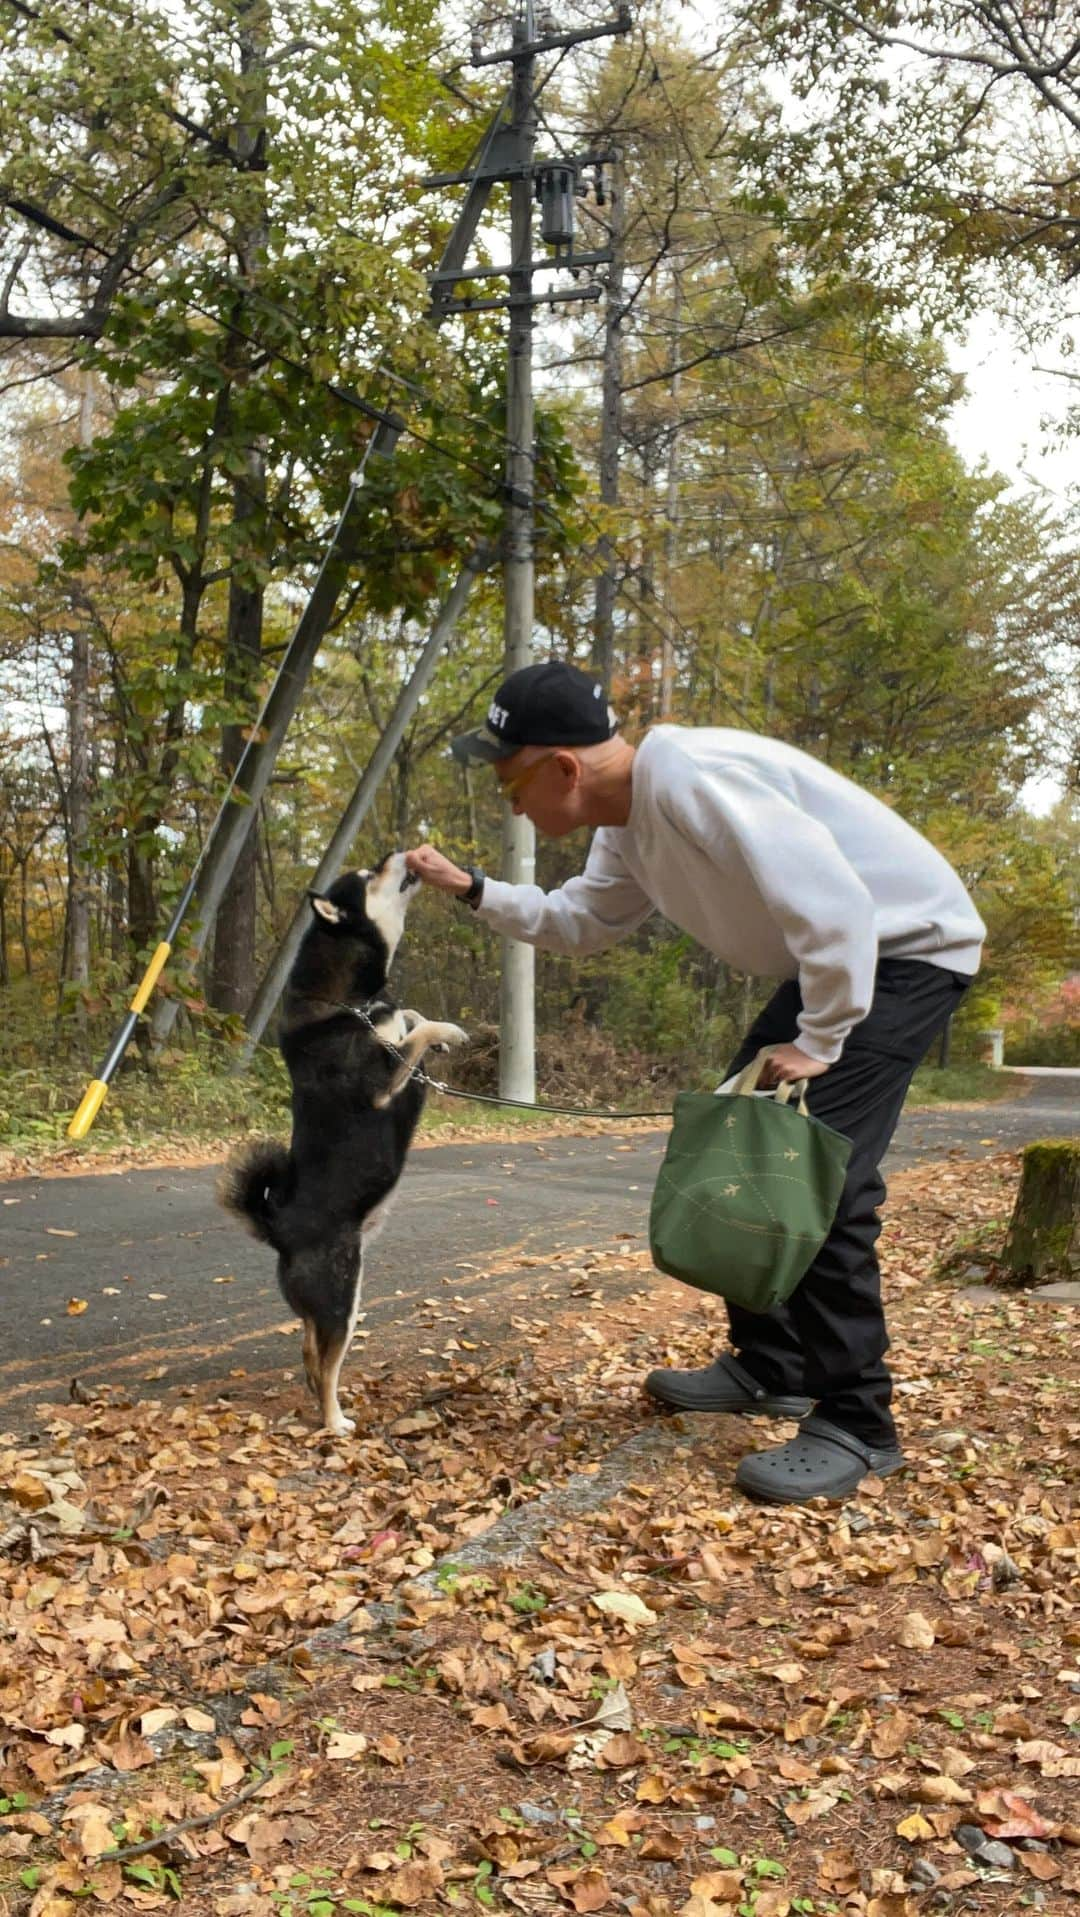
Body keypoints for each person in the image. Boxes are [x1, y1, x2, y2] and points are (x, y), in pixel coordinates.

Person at [405, 660, 984, 1504]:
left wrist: (821, 1039)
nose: (513, 804)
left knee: (808, 1174)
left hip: (904, 954)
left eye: (510, 783)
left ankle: (859, 1421)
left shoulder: (691, 779)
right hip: (841, 965)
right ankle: (772, 1365)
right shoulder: (628, 823)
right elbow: (584, 921)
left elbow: (837, 908)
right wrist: (474, 889)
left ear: (563, 767)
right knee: (732, 1142)